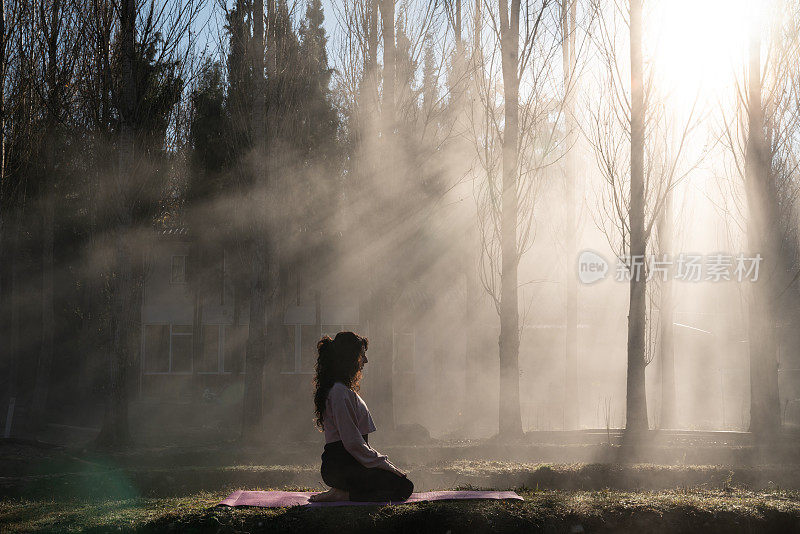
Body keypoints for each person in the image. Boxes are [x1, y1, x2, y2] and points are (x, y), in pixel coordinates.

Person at [309, 331, 414, 502]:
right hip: (341, 467)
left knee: (402, 484)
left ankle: (344, 492)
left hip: (351, 463)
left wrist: (383, 464)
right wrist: (384, 464)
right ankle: (344, 494)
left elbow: (356, 444)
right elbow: (352, 443)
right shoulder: (339, 393)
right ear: (350, 358)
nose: (365, 360)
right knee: (403, 487)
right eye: (362, 355)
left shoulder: (343, 391)